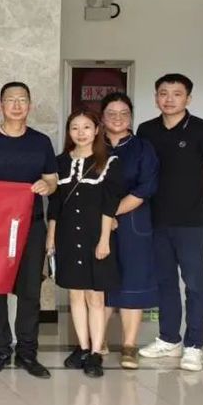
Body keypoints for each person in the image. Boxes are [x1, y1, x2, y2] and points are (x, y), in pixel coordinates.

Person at [0, 81, 58, 379]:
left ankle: (27, 352)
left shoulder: (41, 142)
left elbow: (52, 180)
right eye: (11, 100)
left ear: (30, 105)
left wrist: (47, 185)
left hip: (31, 225)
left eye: (22, 100)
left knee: (30, 291)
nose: (17, 105)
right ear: (1, 105)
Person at [138, 73, 203, 372]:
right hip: (156, 221)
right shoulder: (146, 130)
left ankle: (194, 346)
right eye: (163, 93)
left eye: (177, 94)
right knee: (165, 282)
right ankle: (169, 339)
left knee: (195, 284)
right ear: (156, 97)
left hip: (191, 223)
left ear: (188, 98)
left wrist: (193, 198)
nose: (169, 99)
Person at [48, 109, 124, 378]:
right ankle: (81, 347)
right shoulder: (59, 162)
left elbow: (109, 205)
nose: (81, 133)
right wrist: (51, 238)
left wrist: (104, 240)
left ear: (97, 130)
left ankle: (95, 352)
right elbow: (55, 204)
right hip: (67, 236)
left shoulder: (109, 162)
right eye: (75, 128)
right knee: (75, 295)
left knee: (95, 296)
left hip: (95, 236)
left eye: (86, 127)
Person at [99, 91, 159, 370]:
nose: (118, 118)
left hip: (134, 222)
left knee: (133, 281)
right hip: (96, 224)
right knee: (99, 282)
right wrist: (102, 217)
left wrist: (112, 213)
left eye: (124, 113)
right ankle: (98, 340)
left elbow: (146, 187)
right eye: (111, 113)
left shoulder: (143, 148)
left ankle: (129, 345)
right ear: (102, 118)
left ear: (131, 118)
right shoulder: (92, 145)